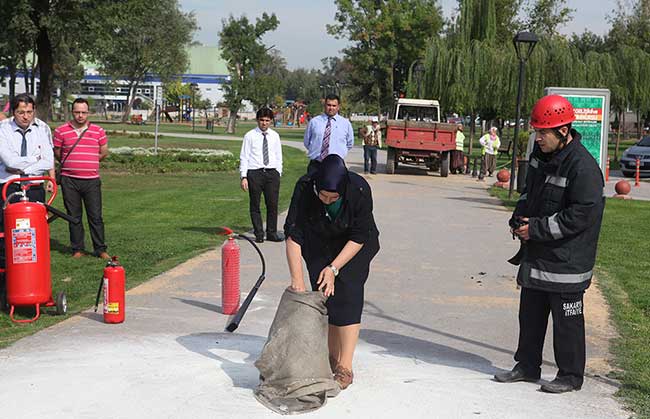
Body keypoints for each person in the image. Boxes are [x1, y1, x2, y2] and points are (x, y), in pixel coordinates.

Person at [494, 94, 605, 394]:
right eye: (536, 131)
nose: (538, 138)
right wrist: (519, 217)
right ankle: (527, 365)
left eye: (543, 132)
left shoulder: (583, 168)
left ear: (564, 132)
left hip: (567, 262)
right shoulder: (540, 157)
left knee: (567, 322)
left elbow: (581, 215)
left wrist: (538, 229)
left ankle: (570, 376)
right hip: (538, 257)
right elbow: (530, 194)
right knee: (530, 315)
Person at [284, 154, 380, 390]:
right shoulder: (306, 187)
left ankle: (345, 366)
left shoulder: (358, 189)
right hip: (318, 241)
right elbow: (294, 234)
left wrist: (334, 268)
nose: (326, 201)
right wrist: (297, 281)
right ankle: (330, 357)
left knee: (348, 295)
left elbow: (359, 236)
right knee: (325, 296)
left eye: (333, 197)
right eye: (322, 196)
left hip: (354, 246)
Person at [0, 93, 55, 309]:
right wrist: (33, 162)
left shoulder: (41, 129)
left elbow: (48, 160)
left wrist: (24, 168)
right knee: (7, 237)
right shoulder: (3, 129)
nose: (25, 116)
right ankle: (7, 288)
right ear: (13, 112)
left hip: (34, 187)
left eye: (29, 112)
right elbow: (8, 160)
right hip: (8, 187)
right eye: (21, 112)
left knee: (36, 238)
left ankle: (36, 283)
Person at [53, 98, 110, 259]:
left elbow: (104, 152)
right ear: (72, 112)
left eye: (83, 112)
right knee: (74, 216)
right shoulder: (61, 131)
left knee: (96, 216)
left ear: (88, 112)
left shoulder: (98, 131)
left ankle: (100, 249)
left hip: (91, 180)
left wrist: (89, 161)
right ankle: (77, 248)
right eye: (77, 112)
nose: (80, 115)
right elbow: (58, 153)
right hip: (69, 180)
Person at [239, 107, 284, 243]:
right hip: (255, 173)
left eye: (267, 120)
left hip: (271, 173)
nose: (264, 123)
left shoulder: (275, 136)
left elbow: (278, 155)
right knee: (255, 204)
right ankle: (259, 233)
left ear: (271, 121)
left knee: (272, 204)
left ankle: (272, 232)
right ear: (257, 120)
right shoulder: (250, 136)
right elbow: (244, 156)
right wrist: (244, 176)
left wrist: (278, 171)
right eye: (261, 120)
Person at [303, 94, 354, 174]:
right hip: (316, 164)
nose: (331, 108)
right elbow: (307, 142)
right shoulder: (314, 122)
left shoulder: (345, 124)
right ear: (324, 105)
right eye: (329, 105)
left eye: (334, 105)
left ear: (338, 107)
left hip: (336, 165)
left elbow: (349, 143)